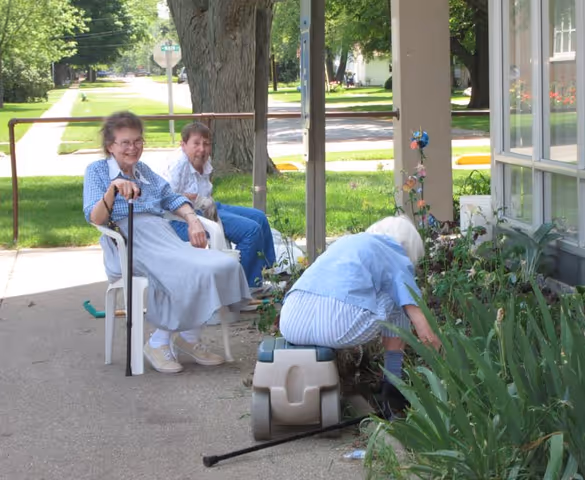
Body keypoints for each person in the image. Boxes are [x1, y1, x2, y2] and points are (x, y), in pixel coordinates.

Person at [83, 111, 253, 374]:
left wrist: (193, 220)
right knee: (187, 270)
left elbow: (172, 198)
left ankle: (189, 338)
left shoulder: (144, 172)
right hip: (128, 241)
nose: (133, 148)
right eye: (125, 142)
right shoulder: (97, 171)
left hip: (162, 236)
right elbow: (95, 218)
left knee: (222, 265)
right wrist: (113, 189)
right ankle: (158, 342)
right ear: (110, 146)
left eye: (137, 141)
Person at [278, 215, 442, 414]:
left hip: (290, 321)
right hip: (336, 328)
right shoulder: (394, 253)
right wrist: (440, 361)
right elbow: (420, 322)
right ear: (407, 246)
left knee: (390, 292)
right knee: (399, 298)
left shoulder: (345, 244)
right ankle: (393, 390)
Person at [163, 122, 277, 292]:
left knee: (258, 217)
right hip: (182, 217)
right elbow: (166, 196)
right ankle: (243, 288)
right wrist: (197, 199)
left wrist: (205, 201)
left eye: (206, 144)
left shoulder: (204, 161)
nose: (202, 149)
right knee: (251, 230)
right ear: (183, 145)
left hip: (207, 205)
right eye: (196, 143)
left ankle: (265, 273)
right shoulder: (178, 164)